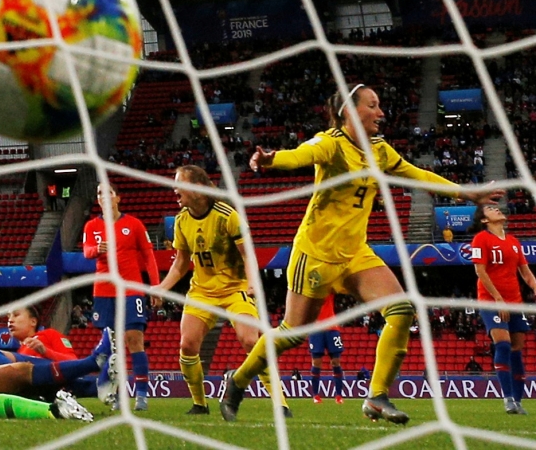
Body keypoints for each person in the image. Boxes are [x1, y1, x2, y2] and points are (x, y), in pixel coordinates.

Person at [220, 84, 502, 425]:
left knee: (401, 310)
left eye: (380, 104)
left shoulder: (380, 151)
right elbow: (301, 154)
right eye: (373, 105)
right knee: (292, 332)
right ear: (349, 113)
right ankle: (238, 381)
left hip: (355, 254)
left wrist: (465, 192)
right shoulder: (332, 143)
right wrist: (271, 159)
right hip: (316, 254)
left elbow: (417, 174)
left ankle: (377, 396)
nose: (382, 112)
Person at [155, 165, 290, 417]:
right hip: (201, 292)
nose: (174, 188)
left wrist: (252, 283)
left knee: (251, 340)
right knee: (187, 345)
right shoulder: (182, 220)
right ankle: (199, 404)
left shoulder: (227, 215)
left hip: (234, 289)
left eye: (179, 183)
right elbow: (181, 263)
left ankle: (280, 404)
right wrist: (162, 288)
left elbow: (247, 253)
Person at [82, 183, 160, 410]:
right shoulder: (91, 226)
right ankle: (115, 395)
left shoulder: (133, 224)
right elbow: (86, 252)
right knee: (110, 345)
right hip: (104, 290)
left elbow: (148, 255)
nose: (103, 197)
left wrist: (155, 287)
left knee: (134, 339)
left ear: (118, 198)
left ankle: (142, 396)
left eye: (108, 192)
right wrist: (98, 249)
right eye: (99, 193)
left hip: (131, 288)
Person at [469, 204, 536, 414]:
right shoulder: (481, 239)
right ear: (484, 220)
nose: (496, 209)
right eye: (490, 209)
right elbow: (480, 271)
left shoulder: (514, 242)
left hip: (515, 301)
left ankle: (517, 401)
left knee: (517, 349)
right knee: (504, 345)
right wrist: (498, 299)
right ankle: (507, 398)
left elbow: (526, 273)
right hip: (491, 300)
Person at [308, 294, 345, 404]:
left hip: (332, 328)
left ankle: (339, 396)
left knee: (336, 362)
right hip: (315, 329)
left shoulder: (329, 288)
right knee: (316, 362)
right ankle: (316, 395)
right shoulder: (309, 291)